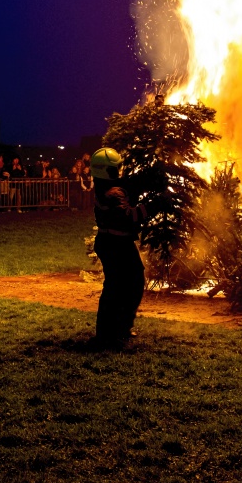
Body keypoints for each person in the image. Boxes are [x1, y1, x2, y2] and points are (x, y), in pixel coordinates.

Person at [89, 147, 159, 349]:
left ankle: (118, 330)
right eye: (116, 168)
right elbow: (130, 217)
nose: (119, 171)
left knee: (126, 285)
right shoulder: (112, 193)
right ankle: (111, 336)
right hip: (116, 244)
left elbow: (126, 186)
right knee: (120, 288)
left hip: (112, 242)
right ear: (108, 170)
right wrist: (155, 205)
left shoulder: (105, 186)